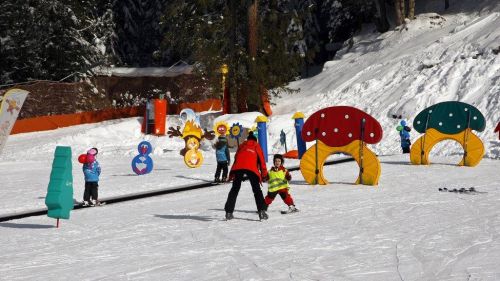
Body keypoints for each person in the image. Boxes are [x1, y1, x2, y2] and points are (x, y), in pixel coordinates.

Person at [224, 131, 268, 221]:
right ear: (255, 140)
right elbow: (262, 161)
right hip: (251, 168)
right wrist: (264, 175)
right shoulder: (256, 145)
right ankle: (262, 212)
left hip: (238, 168)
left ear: (248, 139)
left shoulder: (242, 145)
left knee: (235, 189)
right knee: (256, 190)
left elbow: (236, 158)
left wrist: (232, 174)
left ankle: (228, 212)